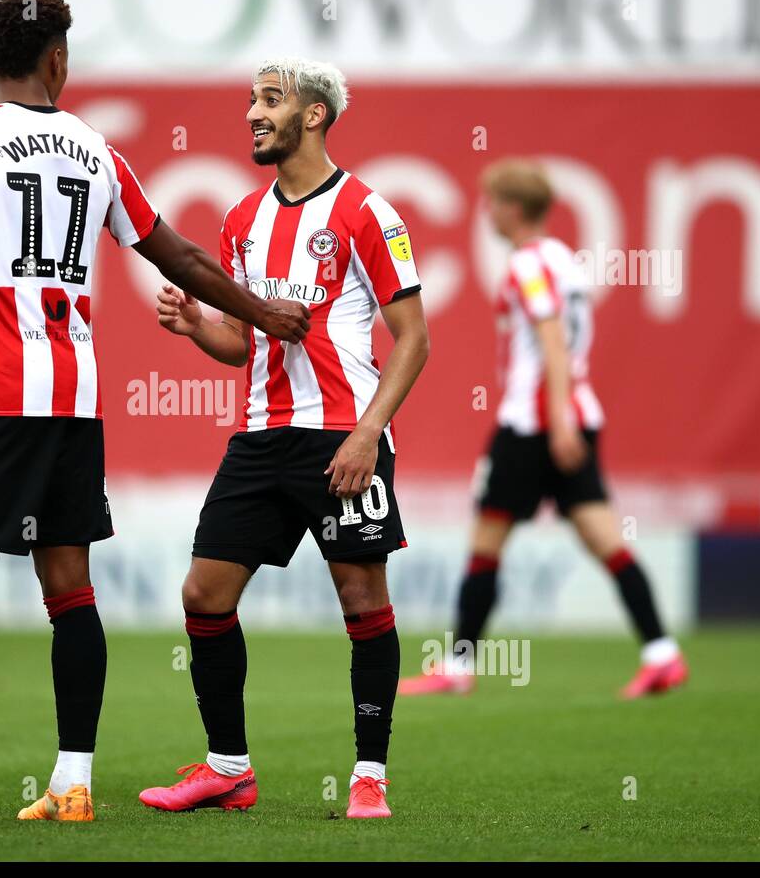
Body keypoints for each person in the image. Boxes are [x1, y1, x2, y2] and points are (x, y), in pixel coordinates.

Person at [0, 0, 309, 825]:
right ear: (60, 60)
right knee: (71, 587)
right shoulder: (97, 151)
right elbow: (183, 256)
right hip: (74, 404)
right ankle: (73, 783)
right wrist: (263, 313)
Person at [139, 58, 430, 820]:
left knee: (361, 598)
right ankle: (229, 768)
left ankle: (370, 777)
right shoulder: (240, 221)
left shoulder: (368, 211)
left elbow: (413, 338)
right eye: (250, 100)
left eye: (271, 100)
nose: (252, 114)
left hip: (343, 434)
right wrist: (197, 324)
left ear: (315, 113)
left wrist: (369, 432)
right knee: (203, 594)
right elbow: (241, 344)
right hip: (262, 438)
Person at [398, 158, 687, 700]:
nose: (486, 212)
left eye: (491, 202)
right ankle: (662, 654)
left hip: (534, 426)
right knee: (605, 539)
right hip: (577, 416)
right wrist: (569, 418)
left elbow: (553, 341)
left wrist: (556, 422)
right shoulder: (564, 259)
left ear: (512, 208)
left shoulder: (529, 264)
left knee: (486, 542)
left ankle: (458, 666)